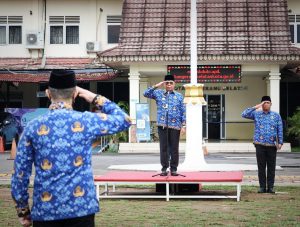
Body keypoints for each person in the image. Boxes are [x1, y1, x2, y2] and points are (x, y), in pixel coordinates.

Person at [11, 69, 131, 227]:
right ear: (75, 94)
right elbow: (125, 120)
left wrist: (23, 210)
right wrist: (92, 97)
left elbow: (20, 173)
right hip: (81, 210)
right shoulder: (86, 121)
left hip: (45, 211)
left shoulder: (33, 127)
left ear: (48, 94)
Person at [144, 74, 186, 176]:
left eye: (171, 83)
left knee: (174, 148)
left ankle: (174, 169)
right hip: (162, 125)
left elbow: (183, 111)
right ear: (164, 84)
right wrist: (156, 86)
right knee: (163, 148)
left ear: (174, 84)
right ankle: (164, 168)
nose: (169, 85)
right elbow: (145, 93)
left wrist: (184, 125)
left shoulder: (179, 96)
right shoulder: (158, 93)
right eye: (167, 83)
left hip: (175, 126)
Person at [242, 95, 283, 194]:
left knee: (271, 167)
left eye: (268, 103)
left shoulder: (276, 115)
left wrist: (280, 142)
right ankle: (262, 187)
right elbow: (243, 114)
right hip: (259, 144)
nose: (266, 104)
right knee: (261, 167)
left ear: (271, 104)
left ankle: (270, 187)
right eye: (264, 103)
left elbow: (280, 129)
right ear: (261, 104)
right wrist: (256, 106)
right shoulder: (256, 114)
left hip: (272, 145)